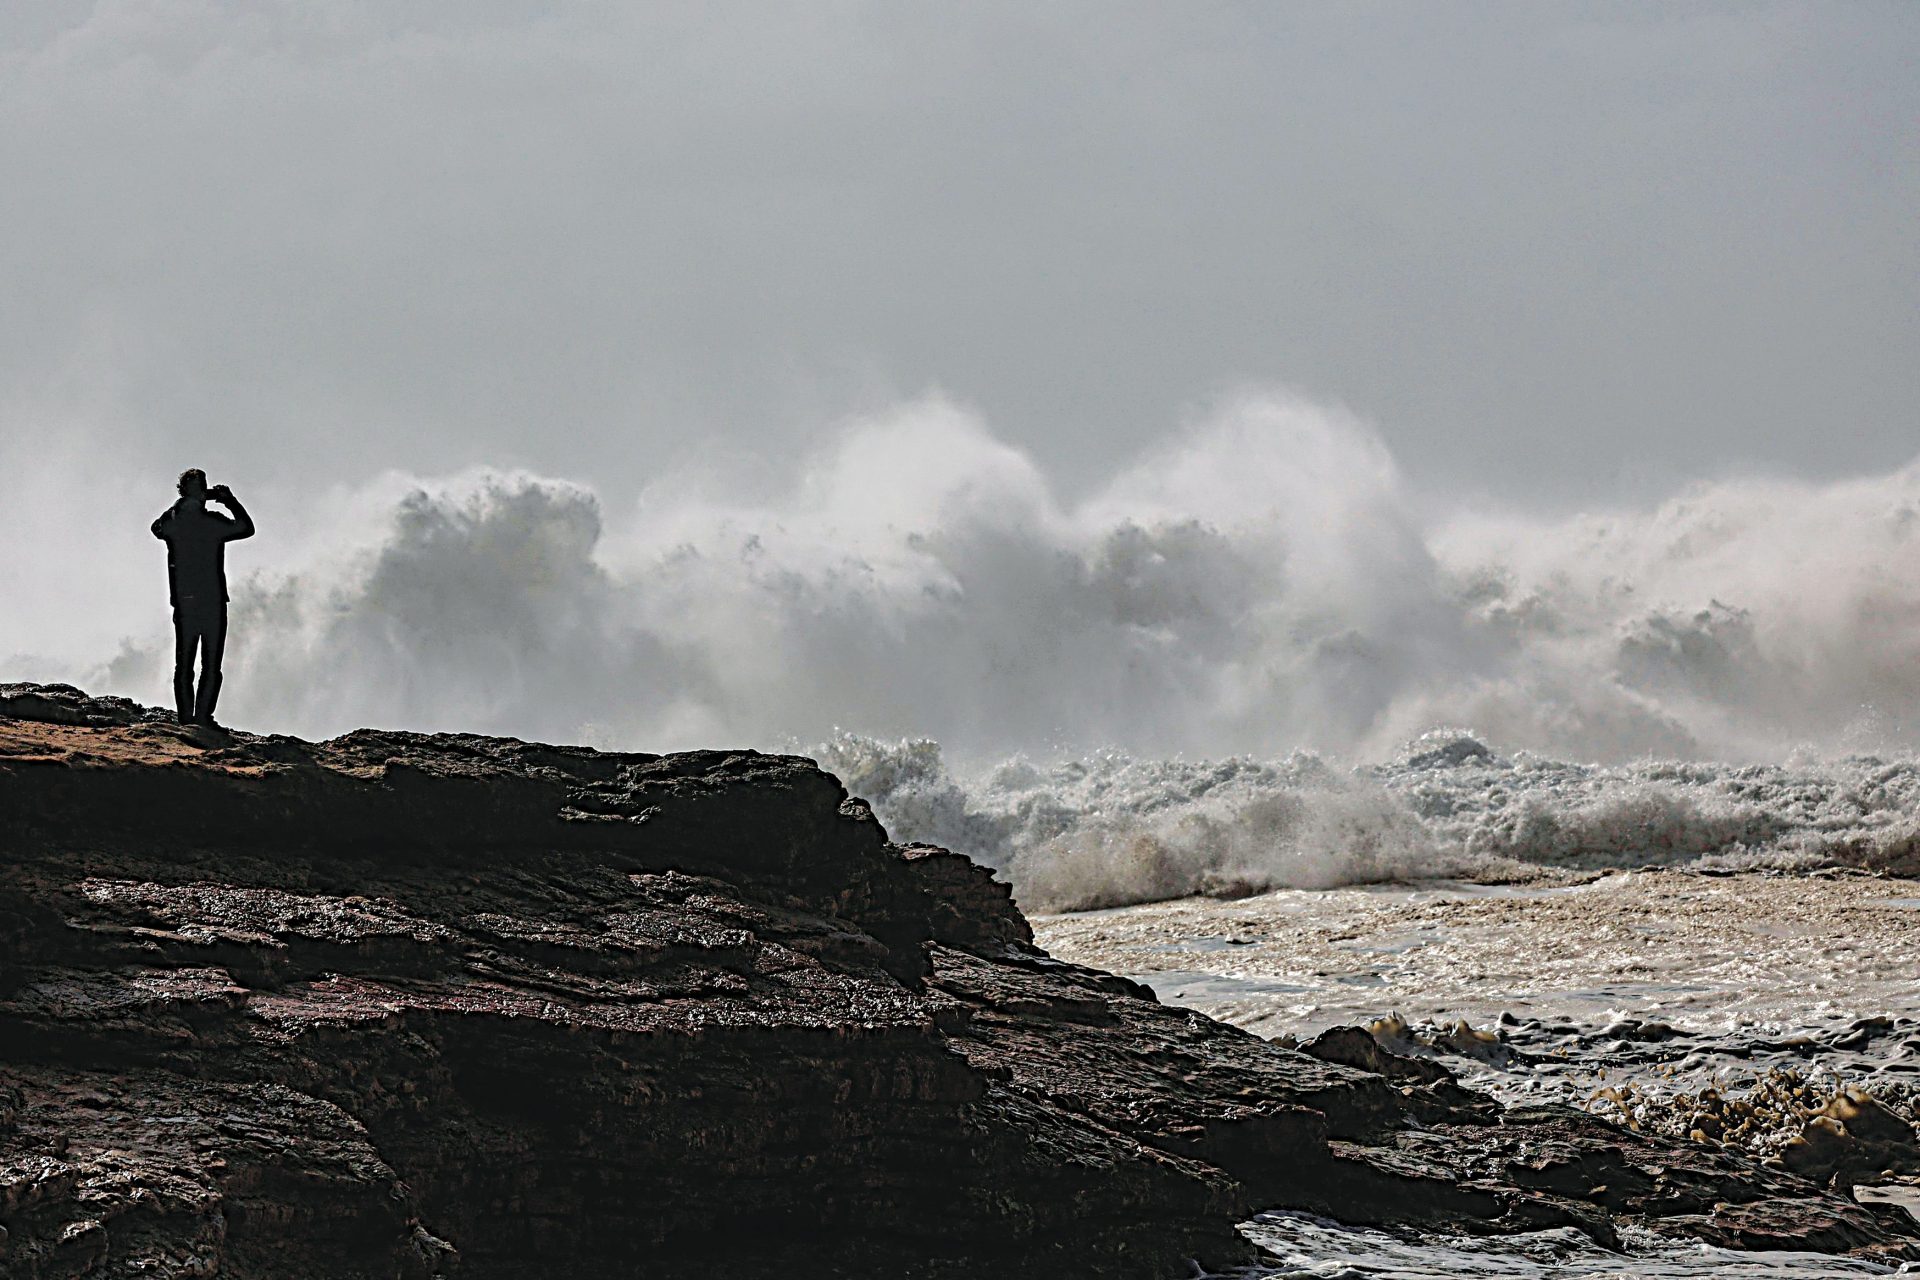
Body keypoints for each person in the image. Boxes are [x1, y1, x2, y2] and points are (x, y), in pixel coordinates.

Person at [151, 469, 254, 727]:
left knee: (186, 665)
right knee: (208, 665)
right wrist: (229, 500)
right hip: (211, 601)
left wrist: (181, 503)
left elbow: (157, 527)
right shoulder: (212, 523)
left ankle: (189, 719)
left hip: (187, 601)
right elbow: (246, 528)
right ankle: (201, 718)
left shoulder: (174, 521)